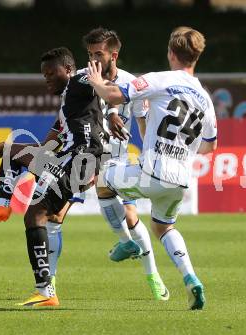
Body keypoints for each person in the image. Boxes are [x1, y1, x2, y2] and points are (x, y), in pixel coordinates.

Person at [87, 26, 218, 310]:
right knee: (163, 227)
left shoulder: (159, 80)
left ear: (171, 53)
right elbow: (210, 146)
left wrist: (97, 82)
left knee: (102, 181)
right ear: (196, 57)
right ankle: (191, 278)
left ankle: (125, 242)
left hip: (153, 170)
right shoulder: (204, 98)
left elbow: (114, 96)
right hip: (180, 180)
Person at [0, 46, 110, 307]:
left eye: (50, 73)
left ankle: (46, 293)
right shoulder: (69, 101)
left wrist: (112, 98)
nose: (46, 78)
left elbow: (106, 83)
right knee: (14, 152)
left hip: (81, 160)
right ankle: (2, 206)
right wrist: (22, 155)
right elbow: (53, 139)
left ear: (67, 70)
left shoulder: (80, 80)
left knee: (35, 214)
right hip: (70, 159)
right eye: (43, 74)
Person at [47, 27, 169, 301]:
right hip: (81, 154)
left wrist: (151, 151)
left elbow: (142, 122)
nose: (93, 60)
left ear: (114, 54)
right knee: (52, 216)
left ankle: (153, 275)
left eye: (98, 54)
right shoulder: (81, 79)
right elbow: (67, 116)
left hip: (114, 158)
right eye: (89, 54)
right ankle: (47, 285)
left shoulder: (132, 83)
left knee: (130, 216)